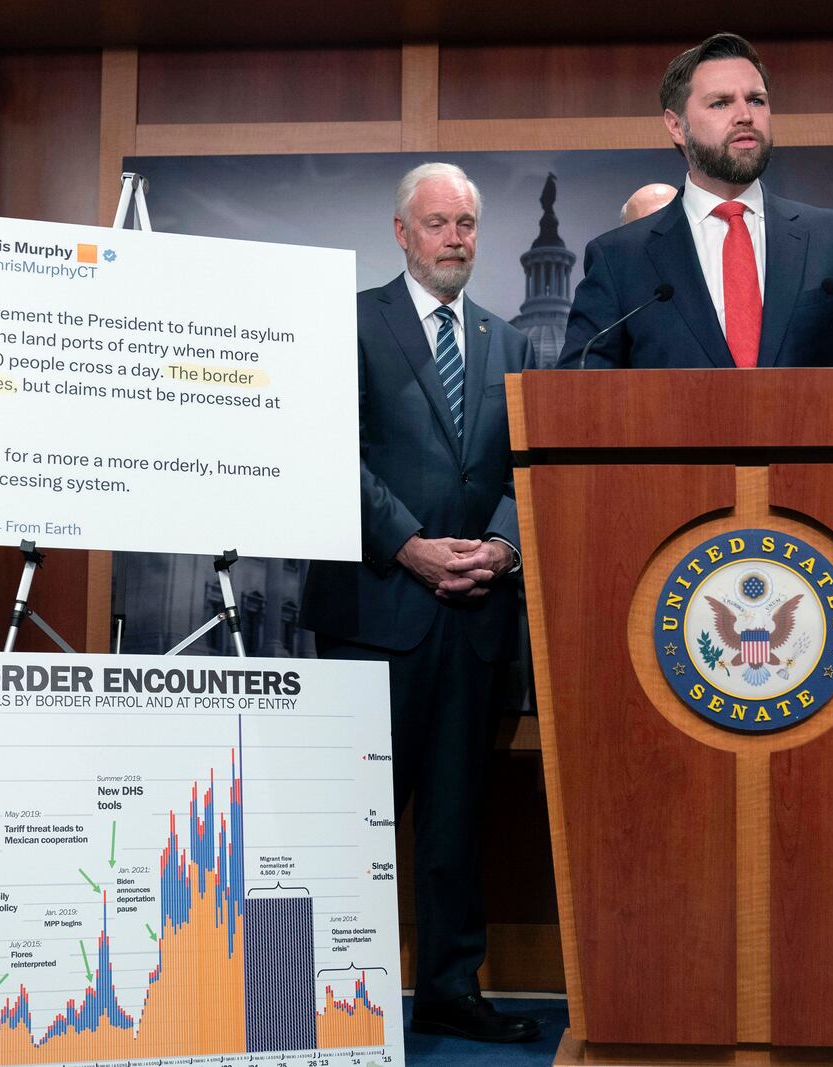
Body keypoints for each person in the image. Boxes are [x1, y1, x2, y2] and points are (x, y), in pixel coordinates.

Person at [301, 162, 537, 1044]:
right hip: (377, 609)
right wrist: (410, 545)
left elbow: (524, 466)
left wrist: (504, 546)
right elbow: (330, 451)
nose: (454, 238)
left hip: (477, 616)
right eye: (437, 223)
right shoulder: (350, 322)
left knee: (455, 821)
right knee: (354, 816)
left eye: (467, 224)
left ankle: (447, 989)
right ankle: (328, 997)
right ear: (402, 233)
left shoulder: (507, 340)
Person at [559, 32, 833, 370]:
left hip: (802, 484)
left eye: (757, 100)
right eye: (720, 103)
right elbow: (578, 398)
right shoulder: (620, 259)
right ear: (676, 126)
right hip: (674, 485)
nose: (745, 114)